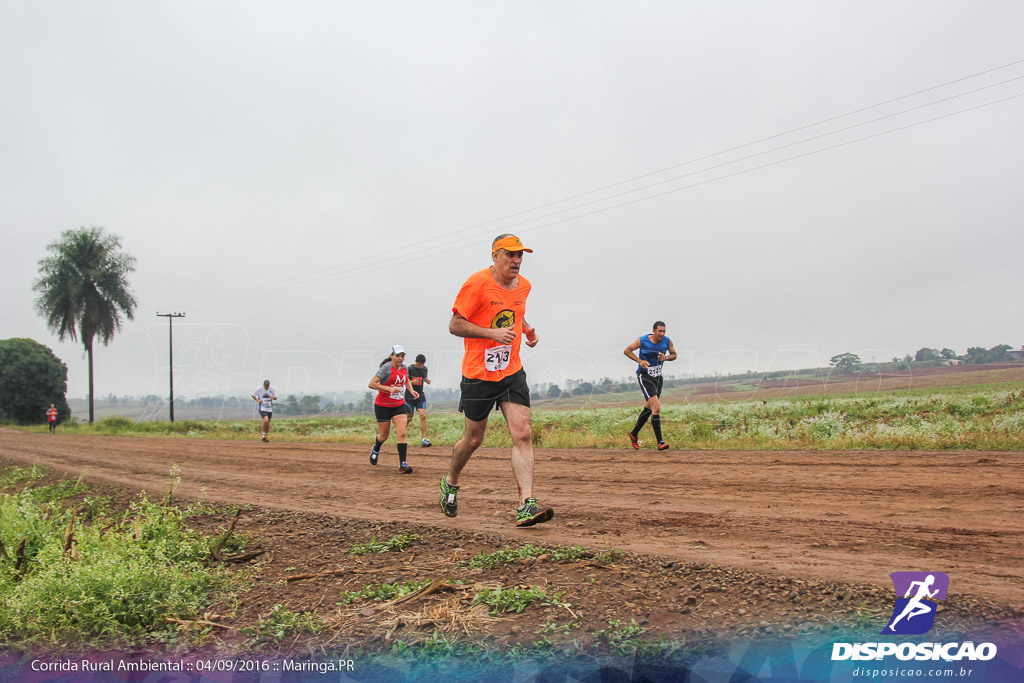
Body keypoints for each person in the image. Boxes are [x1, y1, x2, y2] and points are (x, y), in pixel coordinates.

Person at [441, 233, 554, 528]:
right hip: (479, 374)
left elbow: (515, 313)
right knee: (474, 439)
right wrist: (492, 334)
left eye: (520, 256)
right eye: (510, 255)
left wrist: (527, 329)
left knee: (523, 434)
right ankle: (451, 481)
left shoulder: (524, 285)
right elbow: (455, 324)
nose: (516, 260)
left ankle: (526, 504)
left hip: (511, 371)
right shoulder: (477, 283)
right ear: (495, 256)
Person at [623, 321, 677, 451]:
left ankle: (634, 433)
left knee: (648, 408)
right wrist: (640, 361)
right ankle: (660, 442)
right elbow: (627, 351)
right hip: (645, 376)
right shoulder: (642, 340)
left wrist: (666, 358)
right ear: (654, 331)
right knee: (656, 407)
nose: (662, 334)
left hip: (658, 378)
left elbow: (674, 355)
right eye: (660, 331)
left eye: (664, 331)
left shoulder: (667, 341)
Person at [368, 345, 418, 474]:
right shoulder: (386, 369)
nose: (400, 358)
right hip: (383, 406)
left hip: (398, 405)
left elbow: (406, 379)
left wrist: (411, 391)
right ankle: (376, 447)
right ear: (392, 356)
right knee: (384, 435)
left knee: (402, 433)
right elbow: (372, 384)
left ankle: (402, 464)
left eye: (402, 356)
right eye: (398, 356)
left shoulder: (404, 368)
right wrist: (389, 389)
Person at [405, 353, 432, 446]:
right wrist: (412, 382)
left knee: (423, 416)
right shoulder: (409, 369)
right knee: (409, 418)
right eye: (419, 364)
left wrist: (427, 380)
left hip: (420, 396)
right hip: (409, 396)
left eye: (422, 364)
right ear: (416, 362)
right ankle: (401, 434)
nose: (421, 366)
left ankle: (424, 439)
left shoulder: (425, 369)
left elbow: (424, 377)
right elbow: (405, 381)